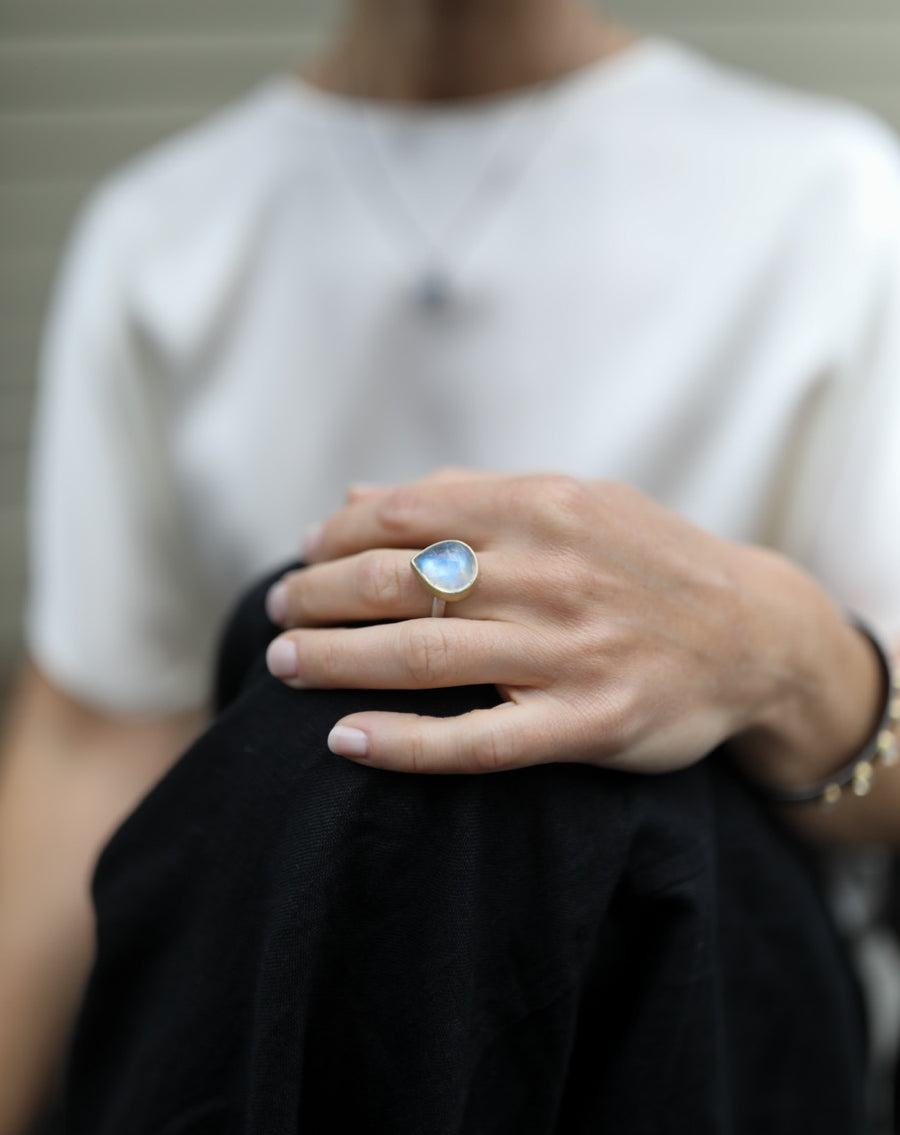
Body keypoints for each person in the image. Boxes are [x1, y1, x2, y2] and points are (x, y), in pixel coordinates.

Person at [3, 0, 900, 1128]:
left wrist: (774, 647)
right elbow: (96, 735)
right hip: (293, 975)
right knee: (320, 714)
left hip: (694, 1006)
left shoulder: (834, 200)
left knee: (489, 785)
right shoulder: (163, 235)